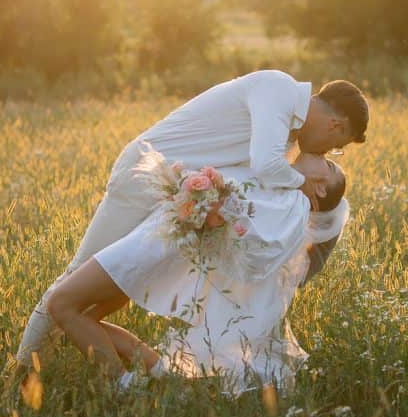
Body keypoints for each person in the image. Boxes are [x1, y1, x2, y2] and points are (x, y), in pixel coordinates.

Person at [15, 70, 368, 368]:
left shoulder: (287, 129)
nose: (328, 153)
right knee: (78, 273)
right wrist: (304, 183)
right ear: (336, 126)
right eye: (338, 147)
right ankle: (22, 366)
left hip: (180, 192)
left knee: (119, 284)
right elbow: (264, 165)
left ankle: (131, 373)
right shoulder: (277, 90)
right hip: (145, 175)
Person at [45, 150, 349, 397]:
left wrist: (219, 202)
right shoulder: (280, 186)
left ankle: (127, 391)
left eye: (330, 164)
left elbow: (258, 251)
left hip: (164, 252)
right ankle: (153, 377)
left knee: (69, 308)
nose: (325, 157)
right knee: (78, 312)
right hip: (167, 249)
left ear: (320, 186)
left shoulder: (294, 209)